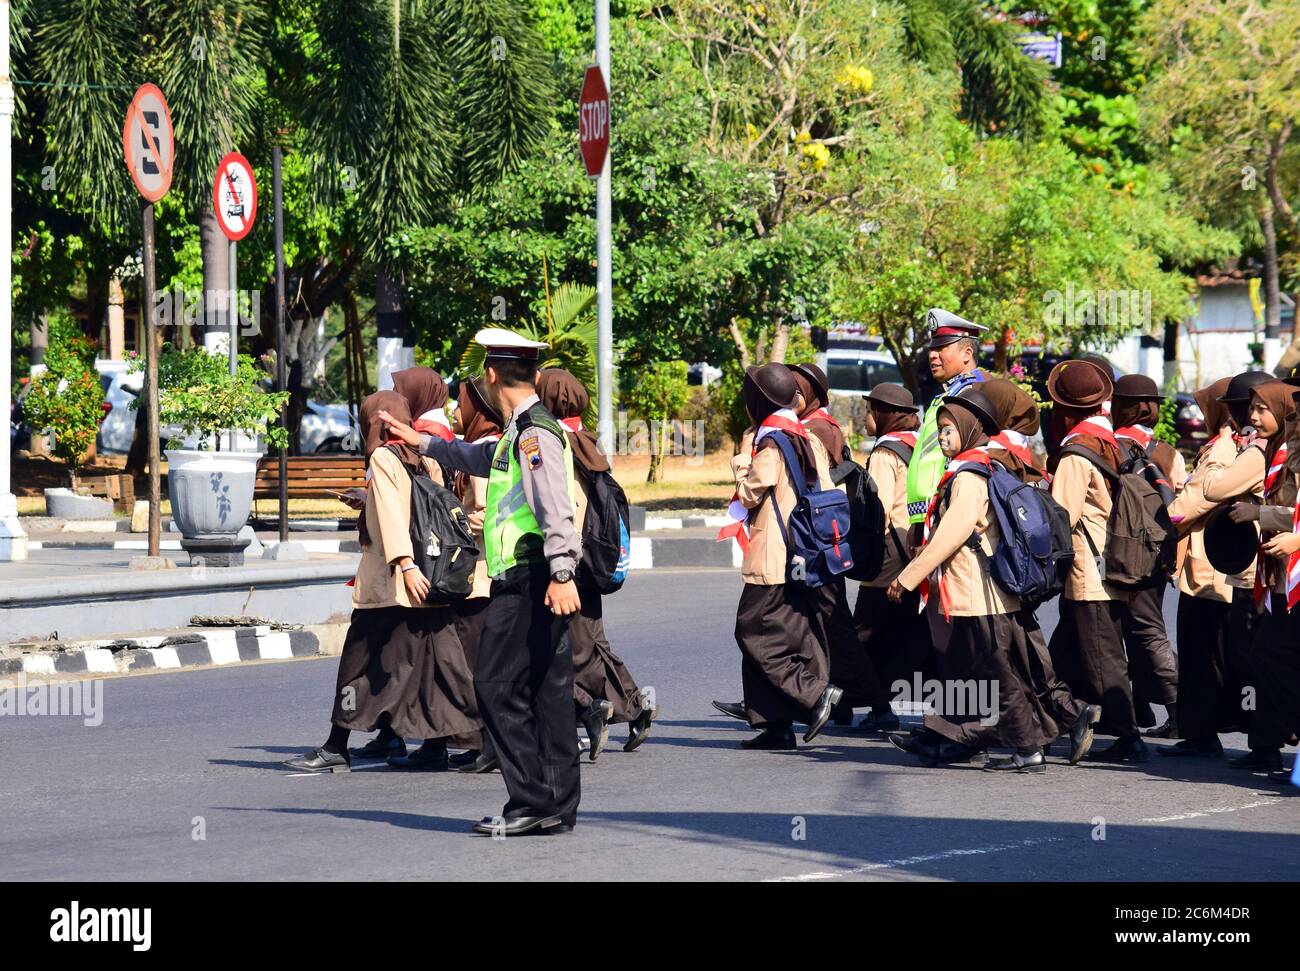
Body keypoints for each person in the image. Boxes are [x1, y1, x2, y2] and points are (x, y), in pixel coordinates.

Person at [380, 328, 582, 837]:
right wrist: (422, 442)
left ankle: (531, 800)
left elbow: (554, 505)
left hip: (531, 576)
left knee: (493, 686)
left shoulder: (533, 435)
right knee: (545, 690)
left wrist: (561, 572)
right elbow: (479, 460)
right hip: (535, 575)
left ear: (492, 375)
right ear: (531, 374)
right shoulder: (523, 431)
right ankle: (555, 803)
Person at [886, 388, 1096, 772]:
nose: (943, 439)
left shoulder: (968, 478)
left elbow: (950, 535)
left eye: (948, 431)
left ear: (968, 430)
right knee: (979, 673)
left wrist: (908, 577)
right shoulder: (988, 467)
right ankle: (956, 741)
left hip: (976, 593)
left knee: (995, 677)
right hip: (986, 592)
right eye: (941, 431)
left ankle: (1029, 749)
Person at [284, 391, 479, 773]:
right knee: (433, 665)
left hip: (392, 583)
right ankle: (438, 744)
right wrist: (368, 499)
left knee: (359, 662)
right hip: (430, 581)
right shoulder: (426, 459)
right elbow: (425, 510)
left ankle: (336, 744)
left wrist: (404, 565)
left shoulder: (382, 457)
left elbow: (393, 516)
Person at [716, 363, 842, 750]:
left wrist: (740, 458)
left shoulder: (770, 443)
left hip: (772, 554)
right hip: (801, 551)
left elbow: (751, 492)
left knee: (752, 631)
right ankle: (775, 724)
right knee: (787, 633)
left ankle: (814, 695)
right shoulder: (804, 434)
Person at [536, 367, 654, 758]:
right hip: (587, 559)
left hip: (571, 562)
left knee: (568, 646)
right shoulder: (586, 438)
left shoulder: (560, 443)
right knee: (588, 643)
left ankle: (596, 710)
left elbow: (565, 505)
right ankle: (630, 709)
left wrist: (560, 564)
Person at [1043, 360, 1146, 762]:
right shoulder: (1109, 439)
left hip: (1089, 569)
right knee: (1064, 654)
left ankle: (1127, 735)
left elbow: (1060, 515)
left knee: (1103, 656)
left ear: (1065, 408)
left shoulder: (1075, 452)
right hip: (1115, 560)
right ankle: (1057, 720)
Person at [787, 362, 892, 729]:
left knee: (833, 626)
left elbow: (812, 487)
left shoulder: (814, 430)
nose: (789, 398)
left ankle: (878, 706)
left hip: (818, 542)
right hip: (825, 540)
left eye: (796, 391)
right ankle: (838, 703)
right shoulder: (822, 425)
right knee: (820, 623)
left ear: (811, 394)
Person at [1160, 378, 1241, 758]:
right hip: (1218, 560)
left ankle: (1202, 734)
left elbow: (1194, 500)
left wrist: (1164, 520)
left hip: (1207, 567)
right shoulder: (1232, 444)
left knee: (1199, 651)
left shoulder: (1222, 447)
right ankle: (1205, 730)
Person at [1202, 371, 1274, 767]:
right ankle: (1262, 739)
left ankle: (1265, 743)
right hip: (1255, 568)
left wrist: (1223, 448)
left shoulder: (1252, 451)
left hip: (1254, 573)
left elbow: (1212, 488)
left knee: (1252, 658)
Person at [1229, 381, 1300, 778]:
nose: (1253, 416)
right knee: (1263, 658)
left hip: (1293, 572)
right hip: (1279, 573)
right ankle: (1267, 745)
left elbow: (1291, 514)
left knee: (1271, 657)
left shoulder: (1289, 452)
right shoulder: (1278, 451)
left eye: (1262, 409)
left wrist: (1260, 516)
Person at [1110, 375, 1184, 739]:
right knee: (1141, 629)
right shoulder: (1168, 450)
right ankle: (1143, 709)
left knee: (1145, 631)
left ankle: (1177, 710)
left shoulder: (1113, 446)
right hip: (1159, 554)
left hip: (1125, 554)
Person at [851, 383, 925, 734]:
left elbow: (874, 511)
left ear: (885, 414)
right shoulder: (919, 446)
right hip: (914, 554)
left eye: (871, 409)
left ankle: (857, 702)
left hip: (886, 558)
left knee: (861, 633)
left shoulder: (884, 453)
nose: (866, 416)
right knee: (901, 632)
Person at [445, 377, 504, 773]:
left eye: (461, 403)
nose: (455, 411)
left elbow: (485, 512)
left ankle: (489, 742)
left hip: (479, 573)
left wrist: (451, 519)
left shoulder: (486, 449)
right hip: (479, 572)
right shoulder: (484, 444)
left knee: (476, 663)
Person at [904, 309, 988, 530]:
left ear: (967, 354)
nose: (933, 355)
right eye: (932, 348)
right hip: (926, 516)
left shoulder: (973, 395)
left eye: (942, 348)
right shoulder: (947, 394)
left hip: (946, 514)